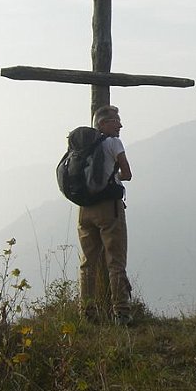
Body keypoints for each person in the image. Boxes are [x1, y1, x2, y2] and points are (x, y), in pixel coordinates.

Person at [78, 104, 135, 325]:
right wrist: (113, 178)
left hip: (84, 208)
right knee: (116, 261)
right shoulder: (113, 143)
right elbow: (127, 173)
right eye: (115, 121)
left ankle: (87, 314)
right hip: (109, 208)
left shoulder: (84, 145)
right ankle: (121, 313)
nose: (120, 125)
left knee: (88, 263)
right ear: (102, 124)